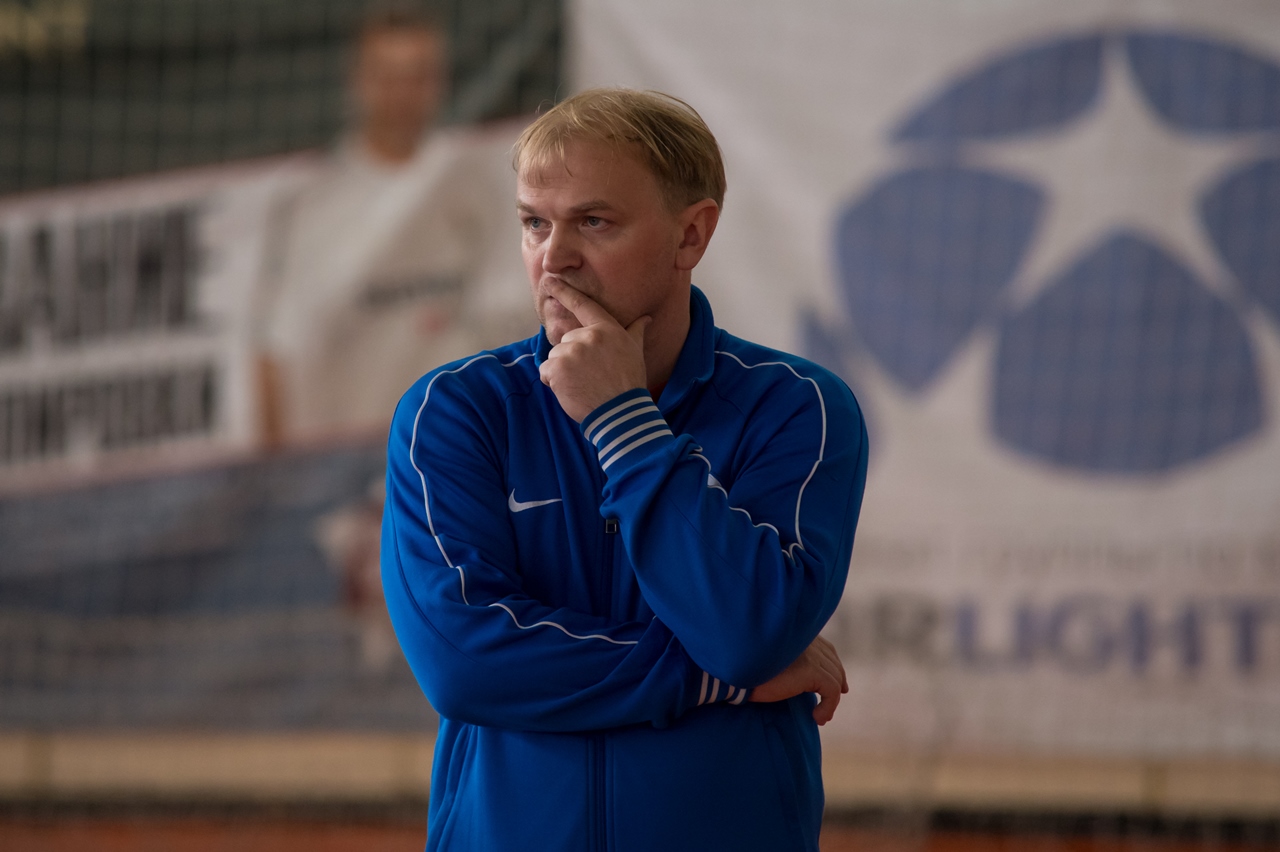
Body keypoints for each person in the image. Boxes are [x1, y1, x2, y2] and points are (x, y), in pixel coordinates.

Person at [381, 88, 869, 851]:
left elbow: (749, 632)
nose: (554, 257)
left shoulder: (796, 407)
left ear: (690, 235)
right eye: (534, 223)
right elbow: (463, 663)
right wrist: (710, 681)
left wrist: (622, 421)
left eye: (594, 222)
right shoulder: (455, 411)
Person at [255, 6, 534, 445]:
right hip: (353, 451)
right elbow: (276, 350)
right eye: (388, 76)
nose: (403, 93)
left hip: (457, 445)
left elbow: (514, 315)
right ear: (359, 81)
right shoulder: (316, 205)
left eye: (417, 76)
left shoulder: (476, 184)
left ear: (439, 81)